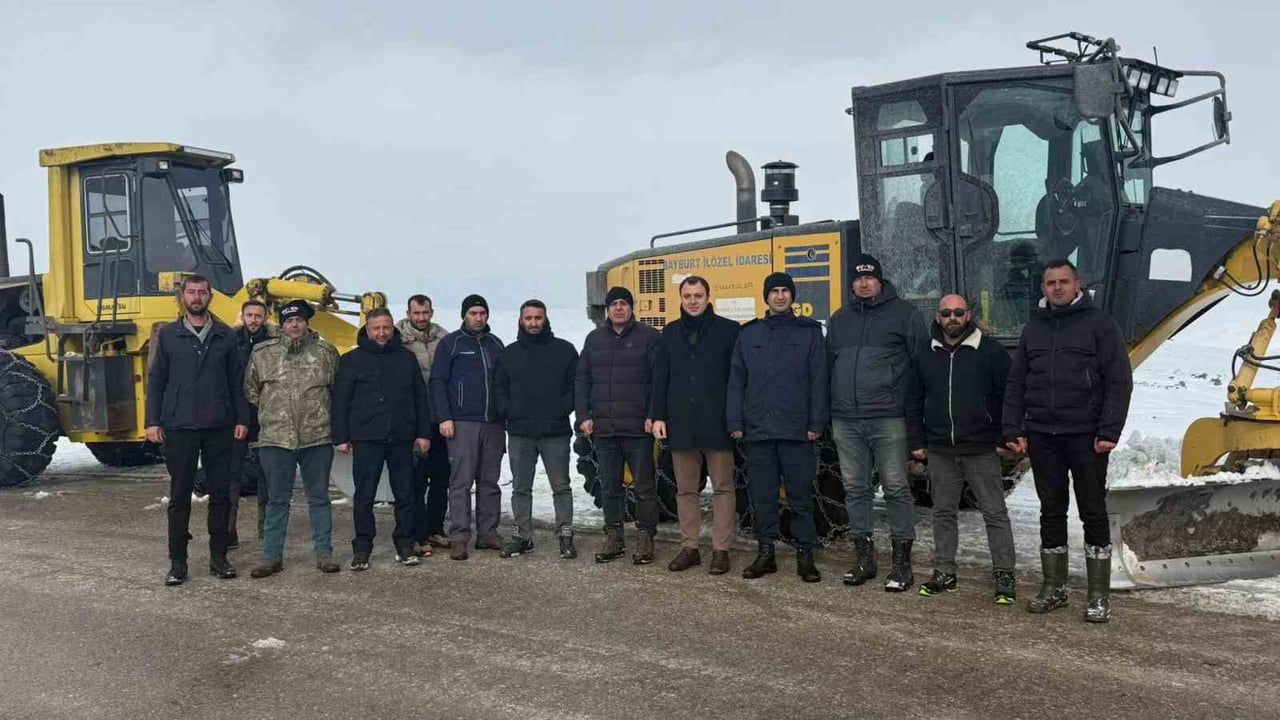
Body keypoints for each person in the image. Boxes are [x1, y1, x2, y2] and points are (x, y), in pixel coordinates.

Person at [1004, 259, 1132, 623]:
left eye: (1063, 281)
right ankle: (1054, 588)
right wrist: (1013, 427)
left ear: (1078, 284)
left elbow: (1119, 380)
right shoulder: (1033, 329)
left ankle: (1098, 596)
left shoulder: (1100, 325)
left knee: (1092, 511)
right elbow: (1017, 382)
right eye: (1050, 283)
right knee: (1051, 510)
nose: (1057, 288)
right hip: (1043, 435)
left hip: (1087, 437)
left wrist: (1109, 432)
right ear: (1042, 288)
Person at [906, 294, 1017, 604]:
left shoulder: (990, 351)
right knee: (943, 513)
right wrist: (916, 441)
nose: (952, 317)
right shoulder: (925, 353)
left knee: (994, 513)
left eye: (958, 312)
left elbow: (1007, 397)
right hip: (940, 449)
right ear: (938, 317)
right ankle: (944, 571)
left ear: (968, 315)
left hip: (981, 448)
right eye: (946, 313)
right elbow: (913, 401)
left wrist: (1004, 435)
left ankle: (1004, 573)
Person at [827, 253, 928, 592]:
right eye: (857, 278)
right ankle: (864, 558)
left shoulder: (905, 315)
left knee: (897, 488)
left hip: (888, 418)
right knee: (856, 489)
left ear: (880, 280)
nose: (863, 283)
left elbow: (920, 368)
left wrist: (916, 421)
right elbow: (830, 367)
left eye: (869, 277)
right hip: (846, 420)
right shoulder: (840, 319)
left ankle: (901, 563)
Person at [145, 275, 249, 586]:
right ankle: (178, 562)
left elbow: (237, 382)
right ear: (183, 297)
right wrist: (153, 421)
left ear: (209, 298)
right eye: (191, 292)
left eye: (202, 292)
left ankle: (219, 557)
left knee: (220, 495)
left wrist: (241, 419)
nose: (197, 297)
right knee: (179, 497)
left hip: (219, 426)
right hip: (179, 426)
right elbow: (156, 381)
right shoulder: (167, 335)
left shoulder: (225, 336)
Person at [726, 272, 827, 583]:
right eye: (775, 291)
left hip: (797, 431)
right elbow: (736, 381)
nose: (780, 296)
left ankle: (805, 554)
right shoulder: (749, 334)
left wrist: (815, 423)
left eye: (785, 291)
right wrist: (735, 422)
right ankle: (766, 552)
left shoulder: (810, 333)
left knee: (800, 495)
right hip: (759, 430)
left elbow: (819, 381)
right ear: (765, 297)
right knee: (763, 496)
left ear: (792, 296)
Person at [243, 300, 342, 578]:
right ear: (281, 324)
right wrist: (275, 412)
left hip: (317, 438)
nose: (294, 325)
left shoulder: (326, 353)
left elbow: (337, 391)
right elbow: (251, 390)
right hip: (276, 439)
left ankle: (324, 553)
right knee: (276, 500)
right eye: (288, 321)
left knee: (319, 499)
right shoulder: (263, 353)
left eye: (299, 320)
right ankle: (271, 557)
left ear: (307, 322)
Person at [652, 276, 740, 575]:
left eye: (698, 295)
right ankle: (689, 547)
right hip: (681, 422)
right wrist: (659, 416)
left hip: (718, 422)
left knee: (723, 489)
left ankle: (721, 550)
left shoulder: (729, 331)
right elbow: (661, 378)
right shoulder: (670, 332)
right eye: (687, 295)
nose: (692, 301)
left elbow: (738, 381)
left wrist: (736, 419)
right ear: (680, 297)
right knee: (686, 490)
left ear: (708, 296)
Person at [333, 308, 433, 569]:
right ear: (367, 329)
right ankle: (362, 549)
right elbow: (340, 402)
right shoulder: (352, 360)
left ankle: (404, 544)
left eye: (386, 328)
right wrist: (341, 436)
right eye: (376, 328)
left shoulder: (406, 358)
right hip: (366, 437)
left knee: (405, 494)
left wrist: (423, 433)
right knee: (364, 496)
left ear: (393, 328)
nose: (381, 333)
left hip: (402, 437)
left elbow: (420, 400)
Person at [575, 287, 661, 565]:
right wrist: (583, 415)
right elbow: (583, 380)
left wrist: (654, 414)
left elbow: (659, 382)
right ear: (608, 309)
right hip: (605, 429)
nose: (619, 308)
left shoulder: (649, 338)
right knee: (610, 487)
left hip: (638, 429)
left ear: (631, 307)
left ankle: (646, 537)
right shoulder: (594, 339)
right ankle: (614, 537)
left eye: (624, 303)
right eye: (614, 304)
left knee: (645, 488)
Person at [493, 300, 580, 559]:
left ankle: (565, 534)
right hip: (520, 432)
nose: (533, 322)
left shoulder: (564, 350)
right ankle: (523, 536)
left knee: (561, 486)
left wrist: (562, 409)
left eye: (538, 318)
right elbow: (499, 387)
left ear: (545, 319)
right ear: (521, 320)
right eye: (528, 318)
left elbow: (575, 385)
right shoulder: (509, 354)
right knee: (521, 487)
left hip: (555, 431)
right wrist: (508, 410)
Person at [430, 294, 505, 561]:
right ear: (464, 315)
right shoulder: (451, 344)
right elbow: (438, 382)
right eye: (473, 313)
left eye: (482, 313)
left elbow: (504, 384)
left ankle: (488, 533)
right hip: (462, 423)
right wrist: (444, 418)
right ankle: (459, 536)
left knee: (489, 482)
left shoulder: (496, 344)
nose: (478, 317)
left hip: (493, 424)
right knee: (460, 482)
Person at [397, 294, 451, 554]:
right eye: (416, 313)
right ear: (408, 313)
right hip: (412, 420)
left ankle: (436, 528)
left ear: (431, 312)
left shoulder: (444, 338)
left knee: (441, 478)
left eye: (425, 313)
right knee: (416, 480)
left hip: (440, 419)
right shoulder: (398, 339)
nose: (421, 318)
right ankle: (418, 532)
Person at [229, 299, 275, 547]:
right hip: (237, 416)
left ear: (265, 317)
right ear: (243, 316)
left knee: (267, 478)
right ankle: (228, 532)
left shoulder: (275, 342)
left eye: (258, 315)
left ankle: (266, 530)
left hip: (266, 418)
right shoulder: (230, 341)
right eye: (250, 315)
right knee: (231, 477)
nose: (254, 320)